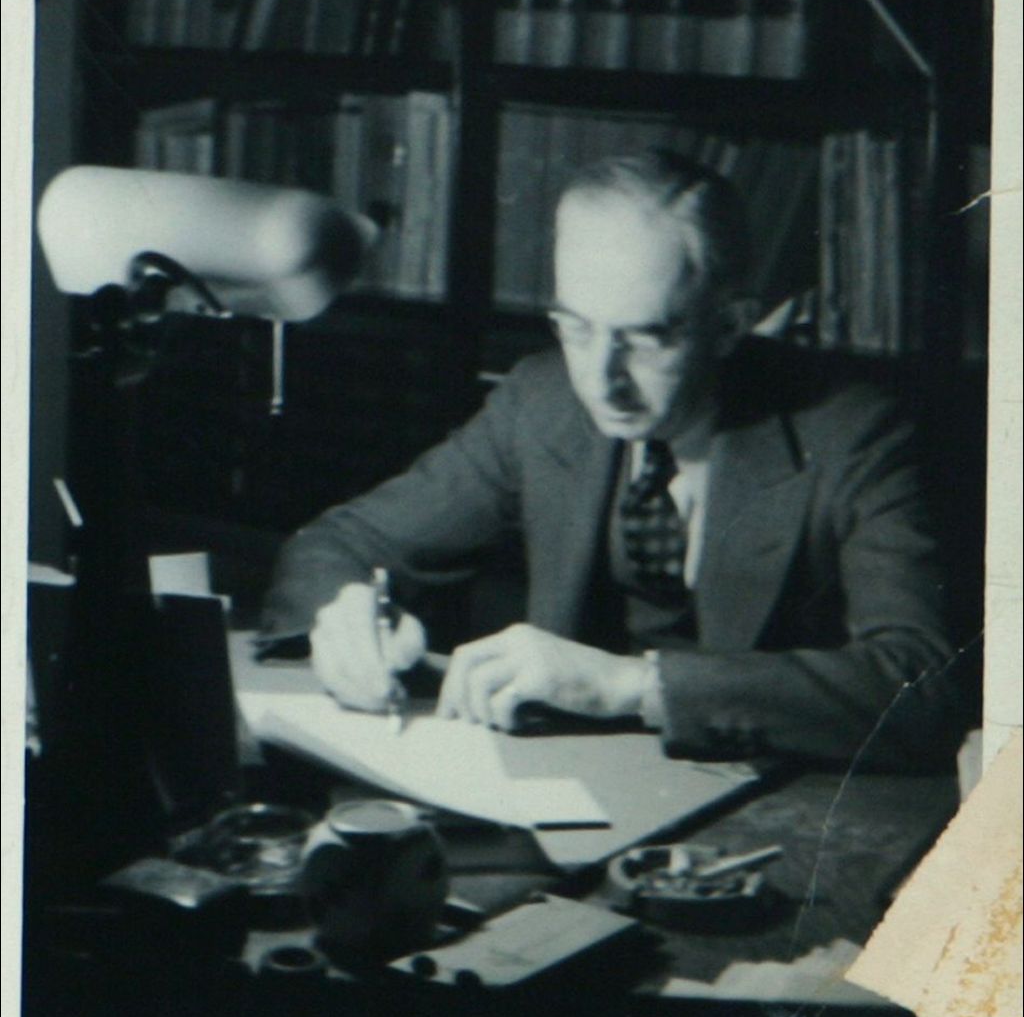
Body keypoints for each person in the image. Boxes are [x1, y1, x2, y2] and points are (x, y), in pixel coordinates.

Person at [263, 150, 962, 771]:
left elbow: (926, 687)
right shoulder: (540, 401)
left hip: (780, 801)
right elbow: (336, 544)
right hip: (579, 786)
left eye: (645, 339)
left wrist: (634, 685)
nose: (601, 378)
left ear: (727, 325)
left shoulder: (853, 432)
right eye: (576, 327)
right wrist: (349, 620)